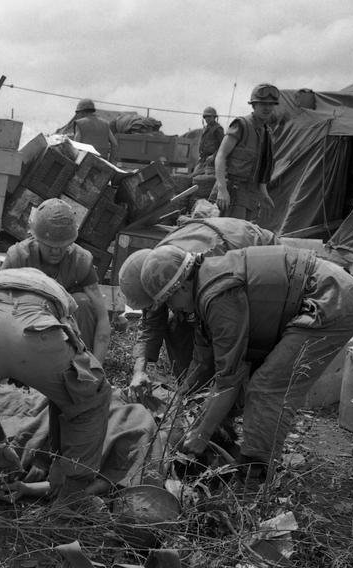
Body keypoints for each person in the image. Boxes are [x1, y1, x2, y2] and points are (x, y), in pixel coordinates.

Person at [119, 244, 353, 491]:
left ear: (182, 286)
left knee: (267, 387)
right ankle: (249, 463)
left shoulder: (217, 296)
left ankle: (253, 481)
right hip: (313, 294)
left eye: (170, 301)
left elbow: (229, 378)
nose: (173, 309)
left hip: (331, 300)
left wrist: (202, 434)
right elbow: (205, 362)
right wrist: (180, 402)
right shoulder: (202, 284)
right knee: (255, 385)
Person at [0, 268, 112, 506]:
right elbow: (68, 398)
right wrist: (55, 457)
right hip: (40, 333)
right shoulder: (55, 291)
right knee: (88, 399)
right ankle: (70, 500)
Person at [121, 215, 278, 385]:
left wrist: (223, 381)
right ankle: (192, 386)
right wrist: (139, 372)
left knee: (231, 339)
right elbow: (151, 322)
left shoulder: (206, 266)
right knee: (177, 324)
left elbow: (216, 330)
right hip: (221, 251)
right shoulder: (158, 269)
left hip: (262, 266)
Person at [3, 198, 112, 360]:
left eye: (62, 247)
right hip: (28, 325)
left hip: (67, 328)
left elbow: (103, 318)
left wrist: (96, 369)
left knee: (82, 302)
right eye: (49, 246)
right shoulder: (18, 258)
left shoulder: (80, 260)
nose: (55, 252)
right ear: (36, 239)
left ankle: (80, 366)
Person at [211, 83, 280, 221]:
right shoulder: (241, 125)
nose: (267, 108)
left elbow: (262, 167)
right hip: (233, 192)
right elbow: (221, 155)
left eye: (271, 104)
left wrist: (264, 193)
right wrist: (222, 189)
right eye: (262, 104)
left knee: (244, 237)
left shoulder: (266, 132)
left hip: (252, 194)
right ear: (254, 105)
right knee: (231, 235)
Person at [193, 106, 224, 176]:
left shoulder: (218, 129)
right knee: (194, 177)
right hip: (203, 159)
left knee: (206, 179)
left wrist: (213, 156)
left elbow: (223, 146)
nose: (207, 119)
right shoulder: (206, 129)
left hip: (212, 161)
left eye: (209, 117)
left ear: (214, 117)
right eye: (206, 117)